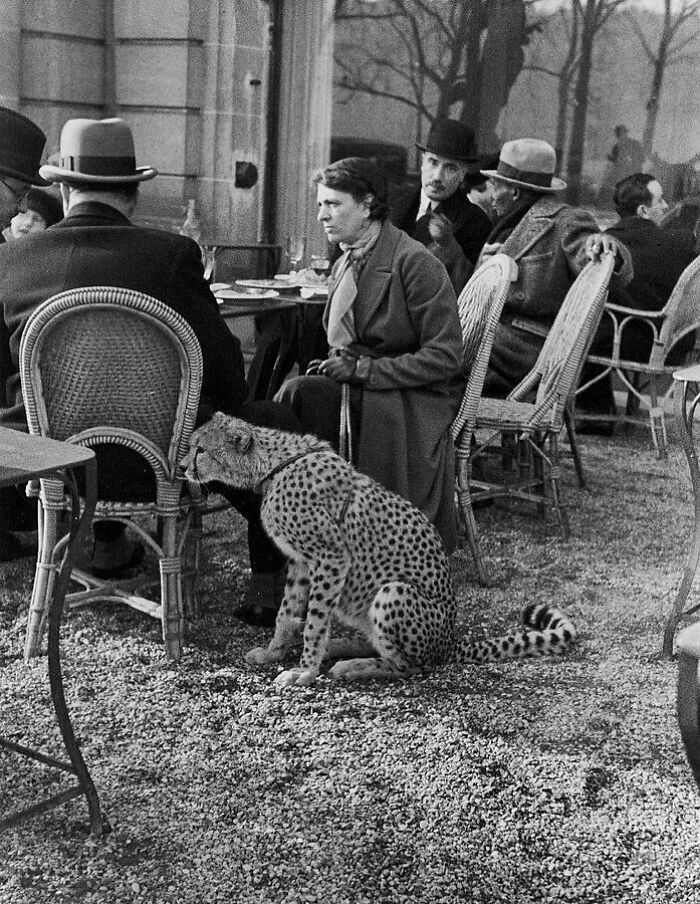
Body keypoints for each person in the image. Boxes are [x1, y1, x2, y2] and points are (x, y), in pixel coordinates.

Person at [0, 117, 299, 624]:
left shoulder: (12, 260)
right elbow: (225, 379)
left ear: (65, 190)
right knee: (276, 422)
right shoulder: (172, 255)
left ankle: (106, 550)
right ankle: (269, 584)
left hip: (50, 466)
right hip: (158, 463)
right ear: (134, 191)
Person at [276, 157, 464, 554]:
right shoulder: (347, 257)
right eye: (320, 204)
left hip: (410, 397)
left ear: (367, 205)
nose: (321, 215)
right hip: (365, 387)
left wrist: (364, 369)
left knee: (299, 397)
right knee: (294, 395)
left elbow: (446, 357)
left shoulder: (414, 262)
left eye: (333, 204)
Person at [479, 138, 632, 397]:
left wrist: (608, 248)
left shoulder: (564, 221)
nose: (491, 194)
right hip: (498, 339)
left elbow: (603, 262)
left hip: (527, 349)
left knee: (435, 349)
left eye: (496, 185)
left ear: (515, 192)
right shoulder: (505, 225)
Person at [578, 172, 697, 423]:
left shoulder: (608, 244)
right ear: (643, 210)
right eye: (661, 200)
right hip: (675, 346)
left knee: (583, 329)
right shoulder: (676, 244)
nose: (666, 206)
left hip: (635, 341)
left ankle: (595, 413)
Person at [389, 119, 492, 294]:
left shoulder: (476, 223)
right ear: (422, 162)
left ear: (462, 174)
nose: (437, 176)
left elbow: (469, 291)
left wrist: (447, 244)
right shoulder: (393, 202)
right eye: (433, 162)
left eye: (450, 168)